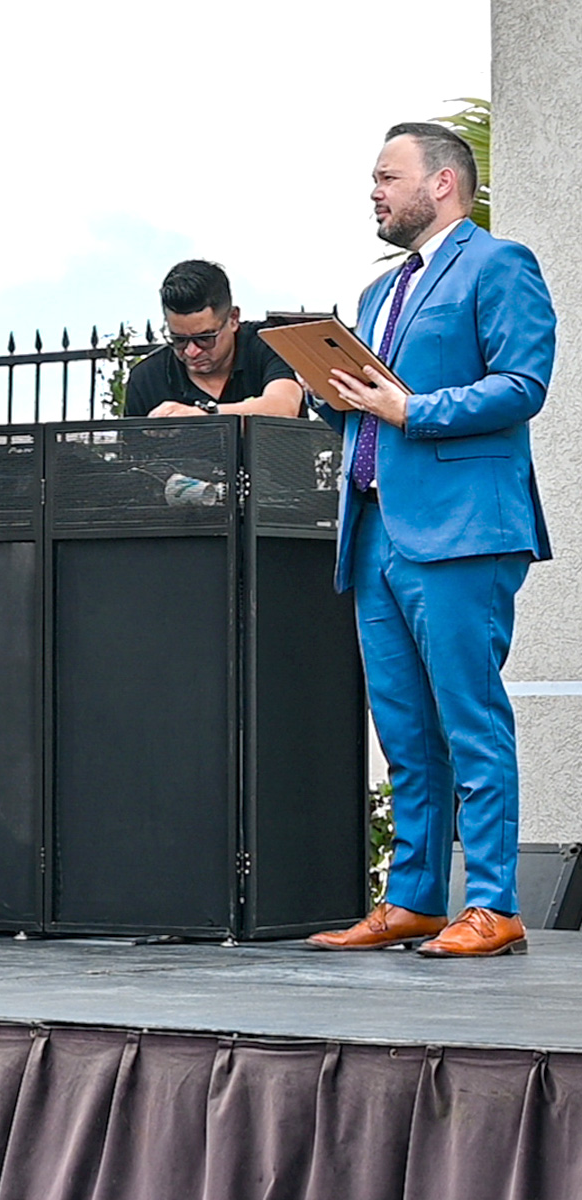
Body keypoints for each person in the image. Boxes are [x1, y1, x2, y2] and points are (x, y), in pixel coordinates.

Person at [306, 123, 556, 957]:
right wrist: (331, 392)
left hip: (461, 529)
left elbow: (521, 384)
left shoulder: (498, 264)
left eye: (387, 176)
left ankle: (493, 904)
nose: (373, 191)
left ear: (442, 183)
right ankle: (412, 898)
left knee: (468, 718)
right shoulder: (377, 293)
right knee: (405, 732)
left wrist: (411, 408)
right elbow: (369, 407)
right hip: (375, 528)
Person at [123, 260, 302, 419]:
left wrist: (205, 415)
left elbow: (285, 407)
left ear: (233, 319)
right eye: (178, 340)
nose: (191, 351)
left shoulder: (268, 342)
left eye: (204, 338)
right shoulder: (146, 378)